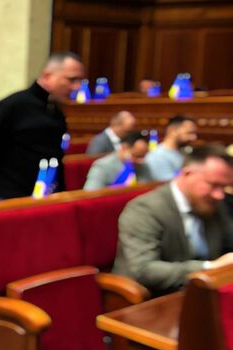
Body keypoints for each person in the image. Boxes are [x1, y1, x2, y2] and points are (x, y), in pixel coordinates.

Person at [113, 144, 233, 296]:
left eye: (224, 187)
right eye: (214, 185)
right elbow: (144, 270)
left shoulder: (213, 203)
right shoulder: (144, 209)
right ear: (187, 173)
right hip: (151, 298)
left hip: (202, 292)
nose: (220, 195)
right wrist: (209, 267)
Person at [0, 52, 84, 201]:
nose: (77, 87)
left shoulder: (56, 112)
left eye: (79, 81)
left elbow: (55, 157)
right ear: (47, 75)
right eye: (71, 79)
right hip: (7, 196)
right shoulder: (12, 106)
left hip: (43, 195)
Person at [83, 131, 151, 191]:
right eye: (137, 156)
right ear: (124, 148)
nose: (141, 161)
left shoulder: (143, 165)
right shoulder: (102, 166)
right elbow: (90, 194)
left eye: (144, 156)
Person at [144, 115, 197, 181]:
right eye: (189, 133)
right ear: (172, 130)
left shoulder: (185, 153)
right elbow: (167, 184)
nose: (194, 137)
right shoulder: (157, 156)